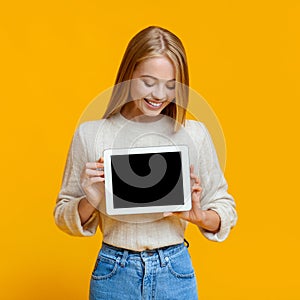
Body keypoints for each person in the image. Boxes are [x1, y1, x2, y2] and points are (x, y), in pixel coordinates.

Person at [54, 26, 237, 300]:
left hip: (175, 271)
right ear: (128, 75)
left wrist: (200, 217)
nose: (159, 95)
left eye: (170, 85)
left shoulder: (194, 134)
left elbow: (225, 208)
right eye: (148, 82)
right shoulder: (91, 134)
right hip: (114, 272)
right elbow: (62, 215)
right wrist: (89, 200)